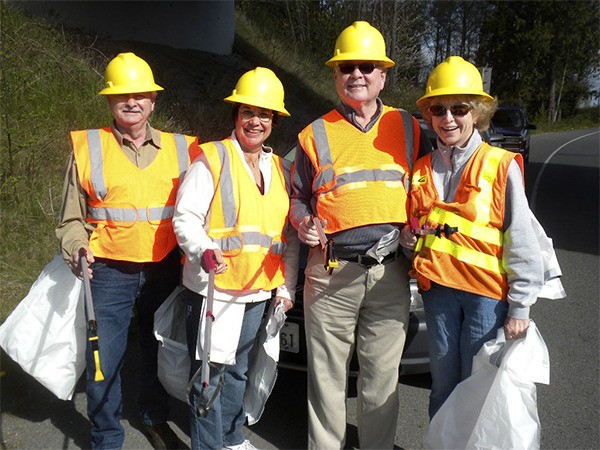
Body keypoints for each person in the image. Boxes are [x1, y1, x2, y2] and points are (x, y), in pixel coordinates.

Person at [289, 21, 431, 450]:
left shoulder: (409, 128)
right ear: (335, 75)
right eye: (347, 66)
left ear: (383, 74)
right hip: (331, 275)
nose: (357, 74)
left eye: (367, 66)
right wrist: (302, 222)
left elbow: (432, 188)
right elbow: (295, 196)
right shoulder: (313, 134)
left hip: (391, 274)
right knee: (327, 381)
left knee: (381, 383)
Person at [56, 52, 199, 450]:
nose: (131, 102)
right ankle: (106, 435)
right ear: (109, 101)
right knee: (103, 358)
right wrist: (76, 247)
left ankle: (154, 418)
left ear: (153, 100)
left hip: (166, 267)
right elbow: (71, 219)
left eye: (140, 94)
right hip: (108, 271)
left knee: (160, 349)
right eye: (122, 95)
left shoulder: (184, 150)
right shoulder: (88, 148)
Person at [402, 55, 544, 420]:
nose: (448, 118)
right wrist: (409, 239)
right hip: (438, 295)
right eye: (438, 109)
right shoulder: (419, 170)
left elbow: (522, 237)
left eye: (459, 108)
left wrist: (520, 307)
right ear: (429, 115)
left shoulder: (499, 164)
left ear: (477, 113)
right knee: (443, 388)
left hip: (486, 298)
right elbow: (415, 234)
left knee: (477, 386)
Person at [172, 67, 299, 450]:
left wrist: (286, 286)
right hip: (216, 290)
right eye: (248, 112)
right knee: (211, 374)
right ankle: (208, 446)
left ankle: (230, 439)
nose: (255, 121)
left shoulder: (279, 169)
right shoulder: (212, 158)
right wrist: (203, 250)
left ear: (274, 121)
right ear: (235, 116)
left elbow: (288, 236)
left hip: (257, 292)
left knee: (240, 371)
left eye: (264, 114)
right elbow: (186, 218)